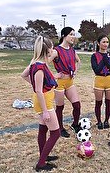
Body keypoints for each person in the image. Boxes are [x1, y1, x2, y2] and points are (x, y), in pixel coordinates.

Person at [21, 36, 60, 171]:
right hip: (44, 102)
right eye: (52, 47)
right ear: (46, 49)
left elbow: (24, 75)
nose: (53, 49)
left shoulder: (36, 63)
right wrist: (44, 111)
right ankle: (41, 164)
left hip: (44, 100)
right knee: (56, 133)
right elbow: (38, 90)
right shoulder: (39, 67)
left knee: (43, 130)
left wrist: (42, 83)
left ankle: (44, 155)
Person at [48, 27, 81, 136]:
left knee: (77, 105)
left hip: (70, 82)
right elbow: (43, 64)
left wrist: (75, 71)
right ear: (64, 36)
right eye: (71, 34)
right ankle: (60, 128)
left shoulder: (72, 49)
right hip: (60, 83)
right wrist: (54, 75)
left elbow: (78, 61)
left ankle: (75, 124)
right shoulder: (56, 51)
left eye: (74, 34)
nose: (73, 37)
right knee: (60, 107)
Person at [91, 35, 110, 129]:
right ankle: (99, 121)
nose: (106, 44)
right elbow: (97, 70)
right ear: (98, 43)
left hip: (109, 80)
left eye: (107, 42)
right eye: (103, 42)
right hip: (99, 80)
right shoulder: (94, 56)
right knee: (99, 102)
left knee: (108, 102)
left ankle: (106, 121)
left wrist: (107, 61)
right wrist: (104, 60)